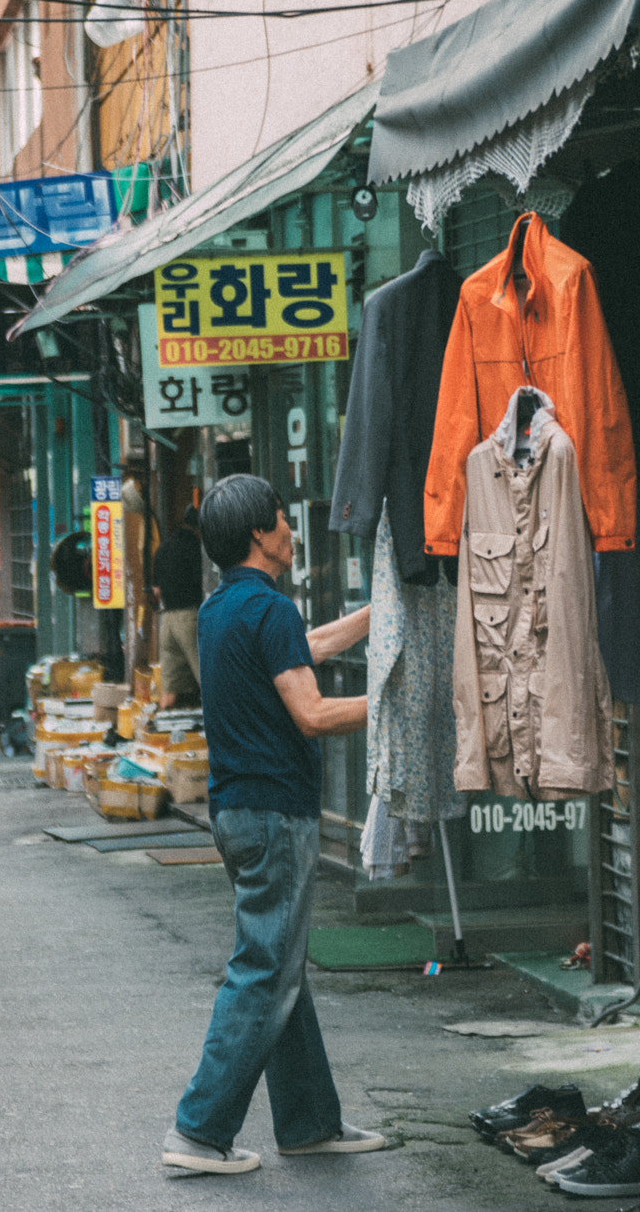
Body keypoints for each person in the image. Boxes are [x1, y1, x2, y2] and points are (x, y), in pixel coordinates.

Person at [162, 474, 383, 1177]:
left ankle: (310, 1121)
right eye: (284, 518)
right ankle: (199, 1130)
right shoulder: (272, 608)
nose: (291, 527)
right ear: (261, 532)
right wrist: (393, 701)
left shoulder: (222, 607)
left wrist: (382, 615)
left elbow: (301, 645)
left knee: (281, 964)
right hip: (275, 814)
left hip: (236, 813)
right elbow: (312, 714)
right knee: (264, 970)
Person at [152, 506, 206, 707]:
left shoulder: (164, 547)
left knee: (170, 686)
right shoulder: (196, 549)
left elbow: (156, 590)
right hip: (189, 618)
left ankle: (161, 728)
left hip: (167, 621)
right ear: (199, 528)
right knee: (207, 678)